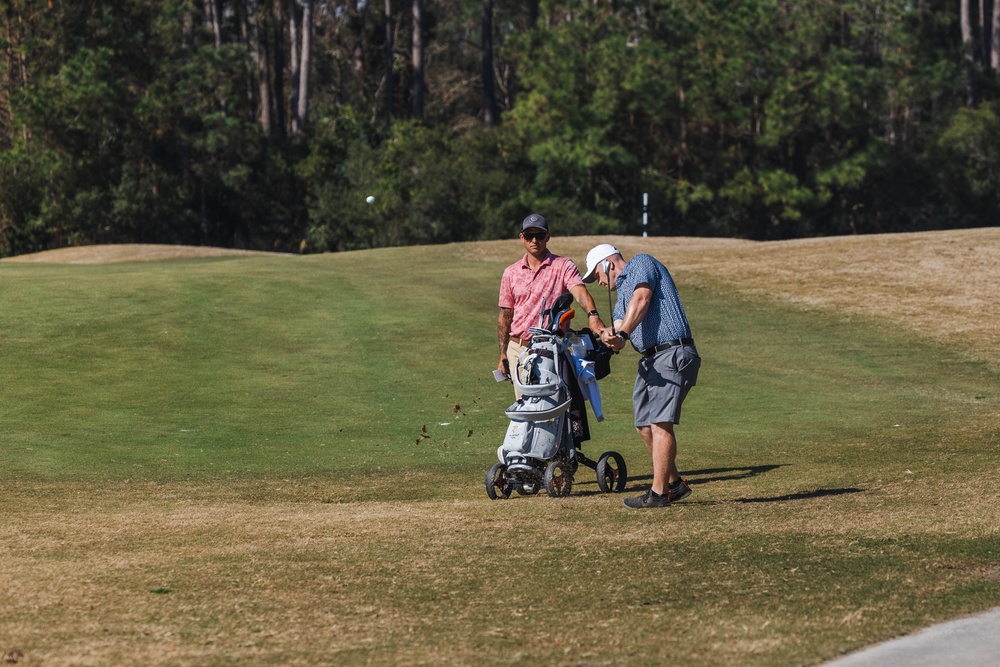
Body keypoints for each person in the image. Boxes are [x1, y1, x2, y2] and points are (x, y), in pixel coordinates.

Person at [582, 243, 701, 509]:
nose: (597, 283)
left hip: (672, 352)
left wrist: (623, 334)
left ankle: (658, 494)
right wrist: (604, 334)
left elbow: (642, 299)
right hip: (650, 361)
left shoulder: (641, 264)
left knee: (660, 423)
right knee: (644, 426)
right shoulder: (622, 297)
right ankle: (674, 484)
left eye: (596, 276)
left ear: (607, 264)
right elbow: (618, 323)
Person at [498, 214, 607, 399]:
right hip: (518, 348)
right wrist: (503, 354)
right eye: (529, 235)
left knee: (554, 408)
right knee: (525, 409)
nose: (535, 240)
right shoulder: (511, 272)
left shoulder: (563, 266)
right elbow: (506, 315)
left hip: (552, 349)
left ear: (547, 237)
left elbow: (580, 292)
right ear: (521, 237)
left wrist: (593, 315)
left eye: (540, 235)